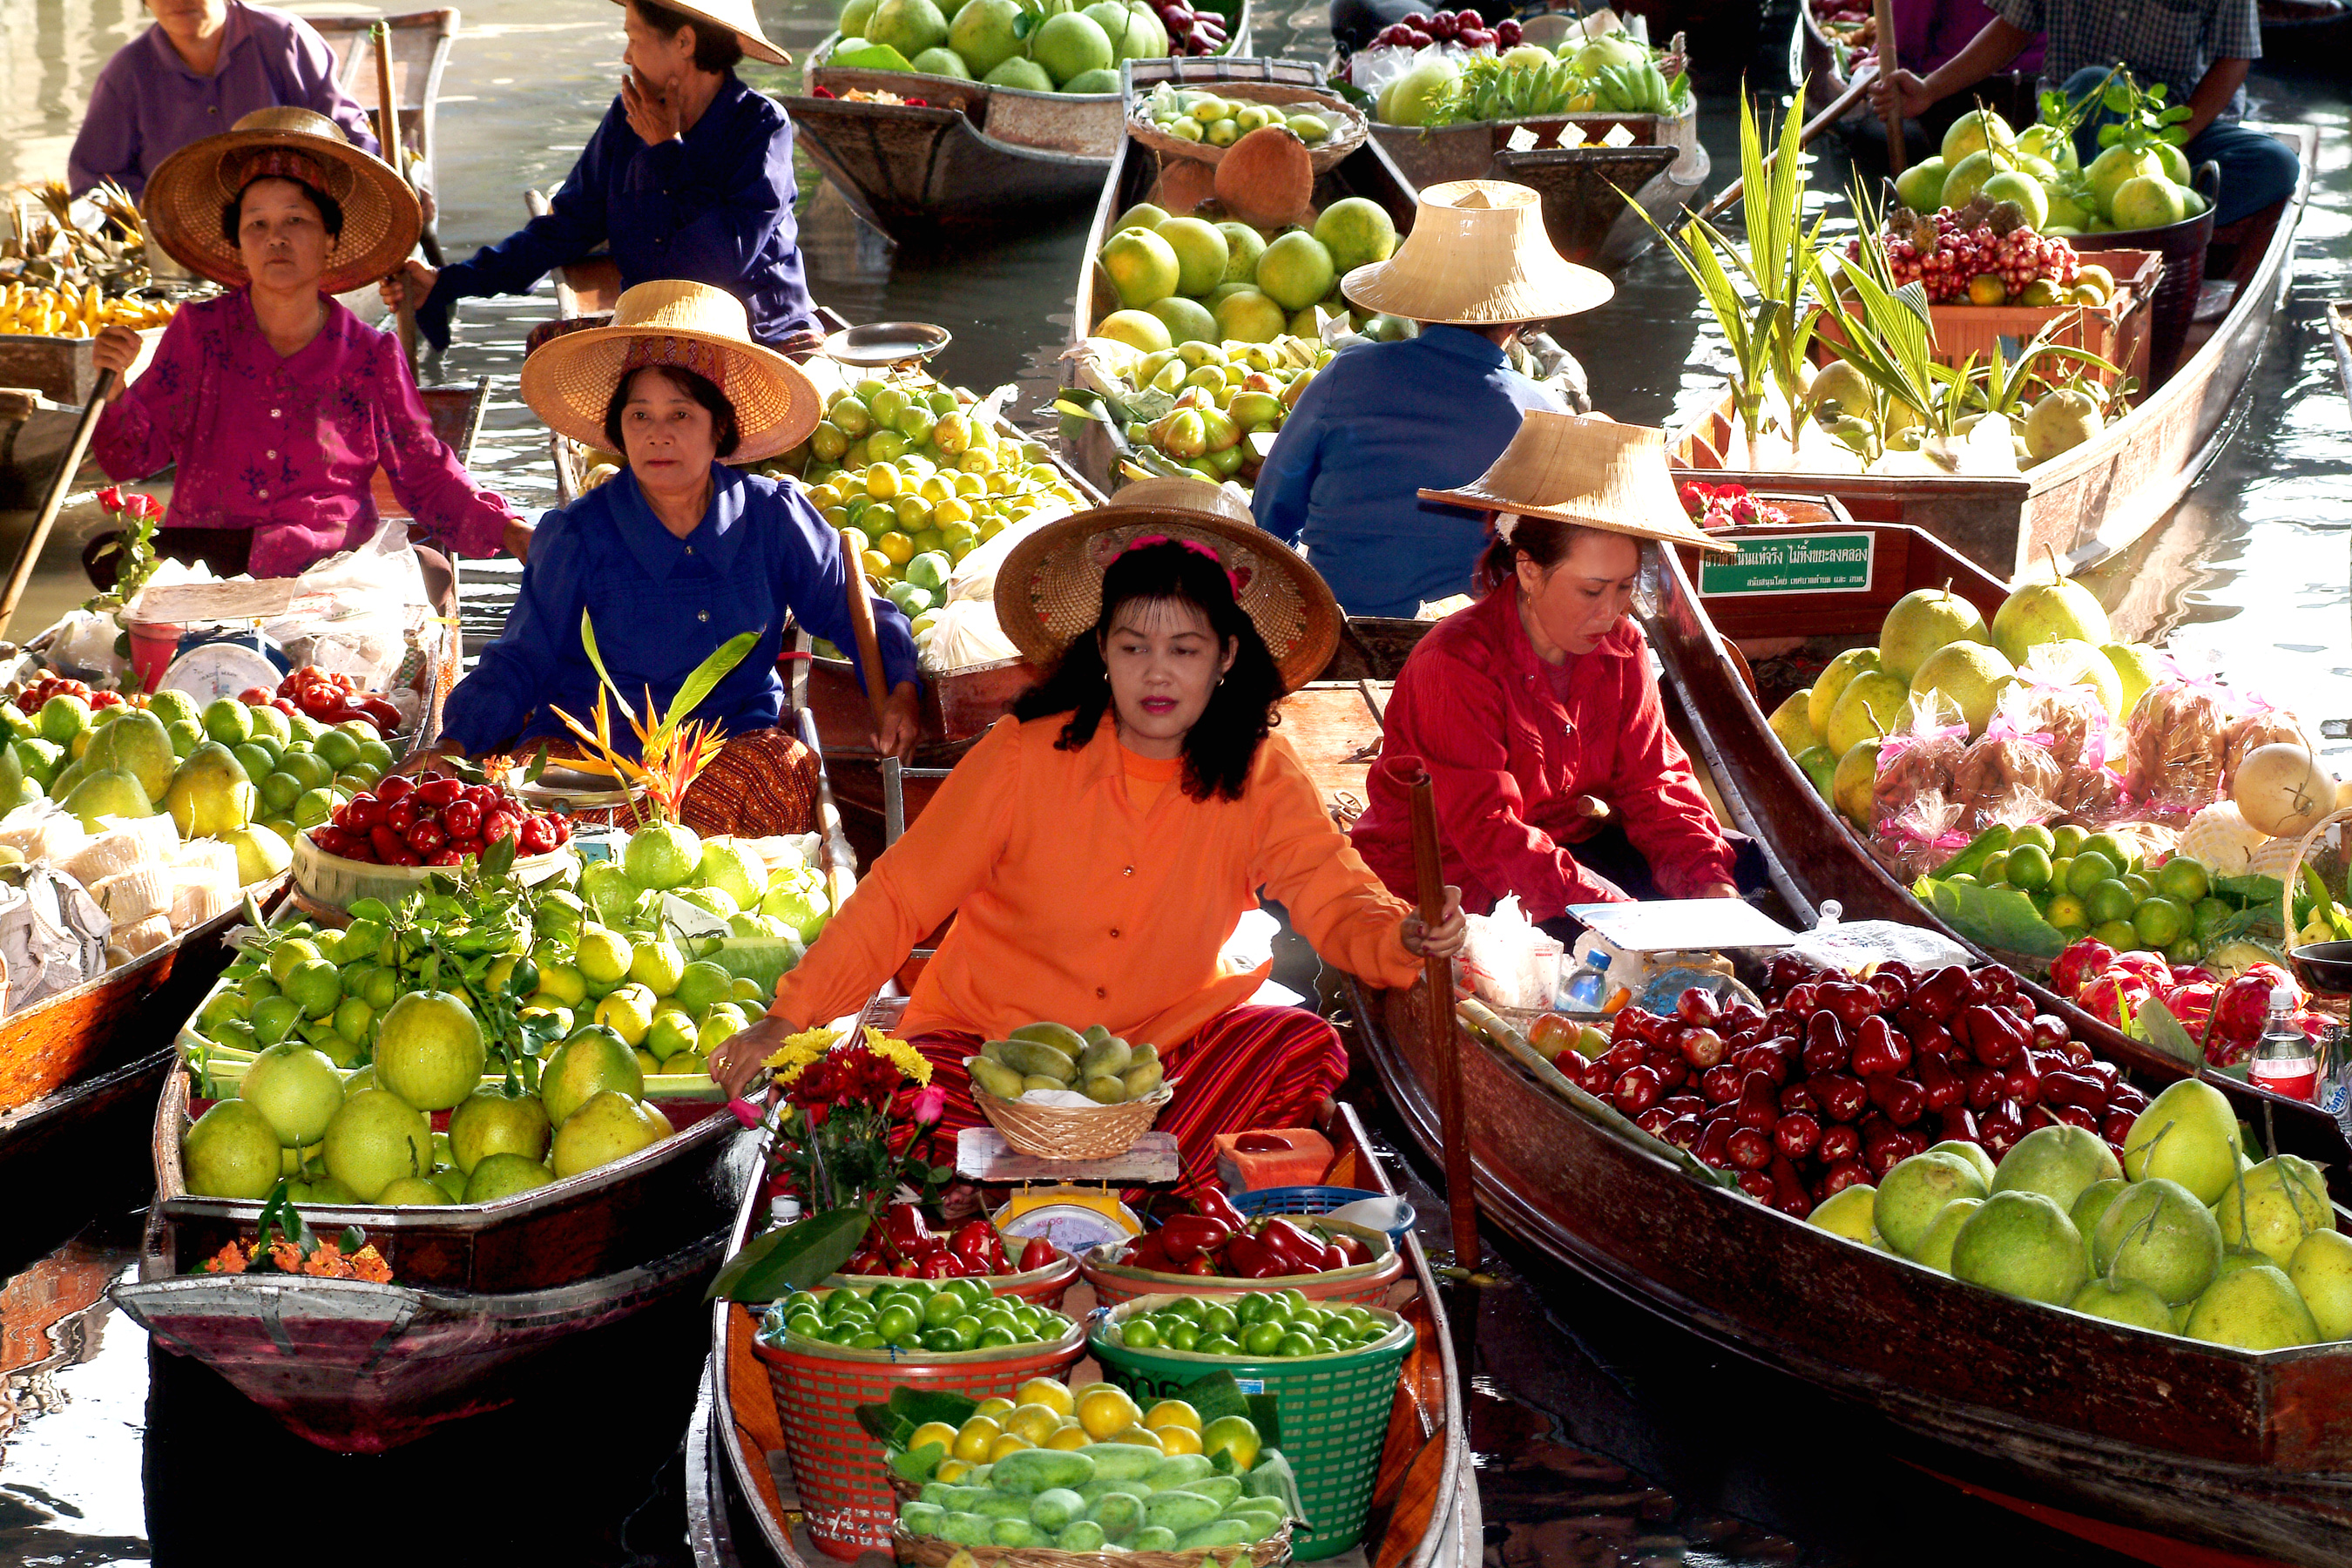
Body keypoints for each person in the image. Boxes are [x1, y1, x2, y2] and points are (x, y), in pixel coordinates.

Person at [709, 508, 1467, 1177]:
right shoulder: (1021, 755)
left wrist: (1401, 936)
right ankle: (1142, 1187)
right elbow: (900, 896)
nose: (1157, 673)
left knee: (1301, 1045)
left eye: (1187, 650)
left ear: (1227, 657)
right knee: (900, 1104)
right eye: (1134, 647)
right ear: (1102, 650)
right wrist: (790, 1016)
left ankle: (1151, 1196)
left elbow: (1336, 896)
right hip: (991, 1048)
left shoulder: (1260, 773)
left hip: (1163, 1055)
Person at [418, 280, 920, 834]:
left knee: (783, 772)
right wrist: (455, 741)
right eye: (640, 416)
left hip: (729, 754)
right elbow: (520, 659)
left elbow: (856, 612)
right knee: (531, 822)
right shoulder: (577, 535)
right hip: (592, 760)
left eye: (680, 415)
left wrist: (900, 689)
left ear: (719, 427)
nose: (658, 435)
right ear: (619, 428)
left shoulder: (775, 517)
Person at [1349, 412, 1761, 938]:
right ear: (1528, 570)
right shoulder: (1453, 666)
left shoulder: (1623, 645)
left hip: (1553, 850)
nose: (1610, 612)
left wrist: (1708, 883)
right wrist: (1618, 914)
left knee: (1735, 867)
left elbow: (1655, 781)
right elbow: (1492, 834)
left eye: (1624, 588)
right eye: (1592, 591)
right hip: (1459, 881)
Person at [90, 108, 522, 581]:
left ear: (329, 238)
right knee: (108, 556)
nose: (275, 238)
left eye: (296, 220)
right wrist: (114, 392)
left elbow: (425, 472)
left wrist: (510, 529)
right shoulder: (199, 333)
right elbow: (130, 458)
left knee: (433, 572)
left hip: (327, 569)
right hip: (206, 565)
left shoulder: (371, 353)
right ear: (237, 243)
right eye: (257, 224)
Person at [1252, 180, 1612, 620]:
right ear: (1519, 320)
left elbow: (1271, 514)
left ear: (1415, 304)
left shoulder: (1346, 375)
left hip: (1335, 628)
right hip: (1468, 646)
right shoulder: (1542, 413)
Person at [382, 0, 818, 352]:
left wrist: (666, 150)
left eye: (633, 37)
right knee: (544, 352)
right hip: (655, 335)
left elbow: (723, 259)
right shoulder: (628, 118)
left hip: (758, 337)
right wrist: (449, 281)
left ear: (684, 42)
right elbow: (563, 230)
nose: (626, 55)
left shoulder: (761, 126)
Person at [1868, 0, 2300, 228]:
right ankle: (2102, 229)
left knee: (2277, 164)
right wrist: (1929, 89)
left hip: (2167, 131)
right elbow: (2014, 25)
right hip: (2069, 134)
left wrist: (2175, 137)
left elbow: (2234, 59)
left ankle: (2160, 228)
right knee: (2097, 81)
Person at [69, 0, 378, 199]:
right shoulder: (128, 72)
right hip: (180, 247)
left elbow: (348, 136)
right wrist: (161, 215)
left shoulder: (284, 38)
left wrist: (387, 188)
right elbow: (93, 181)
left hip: (293, 226)